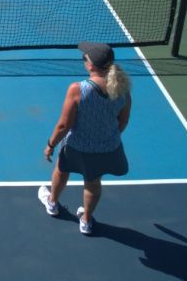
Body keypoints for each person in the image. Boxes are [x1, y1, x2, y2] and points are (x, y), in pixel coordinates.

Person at [38, 42, 132, 235]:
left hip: (76, 147)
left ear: (90, 66)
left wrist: (50, 145)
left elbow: (64, 125)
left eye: (85, 58)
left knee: (61, 170)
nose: (84, 60)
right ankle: (86, 221)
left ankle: (53, 203)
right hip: (107, 148)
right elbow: (122, 122)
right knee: (93, 182)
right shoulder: (123, 89)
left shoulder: (78, 89)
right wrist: (105, 138)